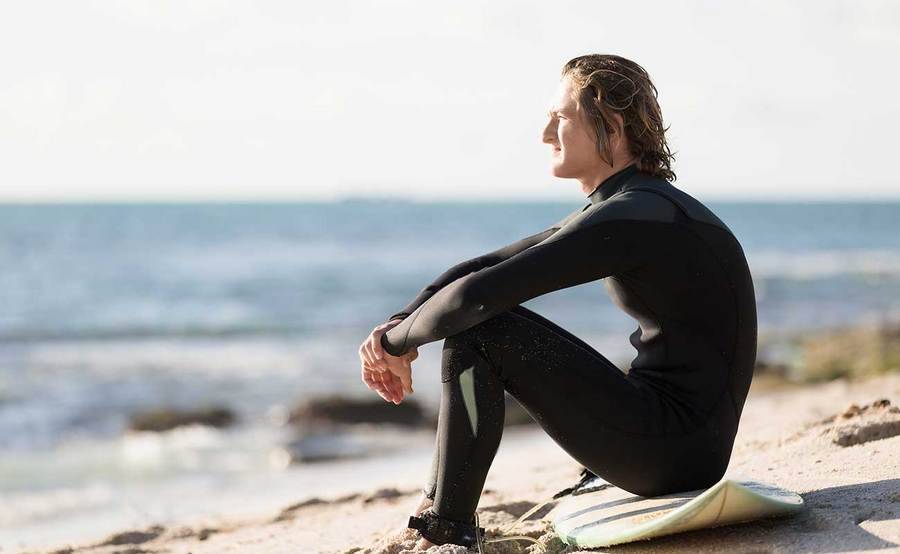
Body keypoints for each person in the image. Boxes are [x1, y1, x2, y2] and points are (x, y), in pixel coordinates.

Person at [358, 53, 757, 549]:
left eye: (560, 117)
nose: (546, 134)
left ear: (610, 122)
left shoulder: (635, 215)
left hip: (672, 451)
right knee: (475, 320)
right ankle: (438, 505)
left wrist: (394, 344)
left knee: (480, 329)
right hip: (685, 444)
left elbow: (476, 297)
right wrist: (394, 325)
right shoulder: (642, 206)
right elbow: (480, 268)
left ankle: (447, 526)